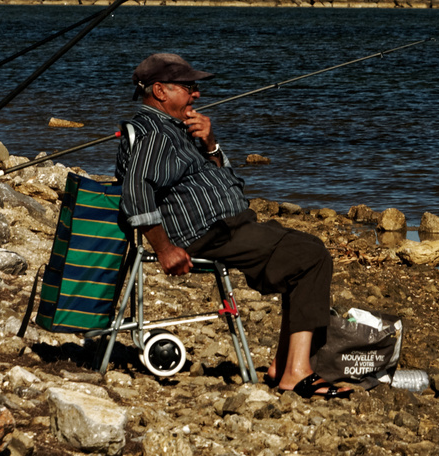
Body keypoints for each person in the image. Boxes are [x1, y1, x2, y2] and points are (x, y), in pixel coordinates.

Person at [116, 52, 343, 396]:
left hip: (229, 226)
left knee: (308, 249)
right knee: (309, 258)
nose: (197, 94)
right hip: (206, 234)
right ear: (160, 91)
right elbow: (135, 189)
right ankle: (295, 372)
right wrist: (164, 248)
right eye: (188, 87)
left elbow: (227, 180)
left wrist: (210, 145)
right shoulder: (153, 133)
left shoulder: (176, 129)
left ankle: (283, 365)